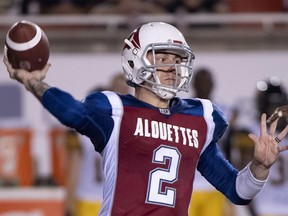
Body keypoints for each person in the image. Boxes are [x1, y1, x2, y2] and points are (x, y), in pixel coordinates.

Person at [3, 22, 288, 216]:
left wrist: (259, 167)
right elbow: (72, 113)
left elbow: (238, 191)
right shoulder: (114, 110)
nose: (171, 67)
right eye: (161, 58)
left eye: (176, 59)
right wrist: (36, 84)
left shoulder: (200, 117)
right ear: (134, 61)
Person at [189, 67, 235, 216]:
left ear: (213, 84)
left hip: (215, 183)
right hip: (189, 182)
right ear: (193, 84)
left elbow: (229, 148)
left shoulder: (226, 111)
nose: (204, 86)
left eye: (206, 82)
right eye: (200, 82)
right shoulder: (184, 108)